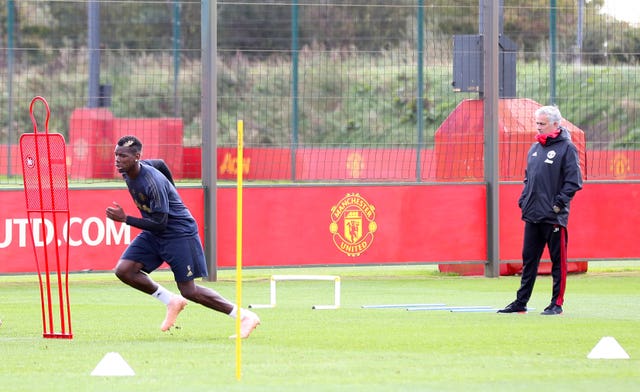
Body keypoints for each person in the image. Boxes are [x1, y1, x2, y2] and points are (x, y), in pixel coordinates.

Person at [105, 135, 260, 337]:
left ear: (136, 157)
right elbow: (160, 163)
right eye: (116, 154)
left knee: (190, 291)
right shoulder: (131, 170)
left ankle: (244, 316)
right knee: (124, 270)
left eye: (123, 156)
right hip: (154, 232)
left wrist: (126, 219)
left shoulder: (152, 183)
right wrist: (173, 192)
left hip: (178, 233)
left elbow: (161, 223)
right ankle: (171, 300)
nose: (117, 160)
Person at [498, 105, 583, 316]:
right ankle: (521, 301)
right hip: (532, 214)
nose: (538, 128)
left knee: (558, 263)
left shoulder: (567, 148)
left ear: (556, 124)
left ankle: (557, 304)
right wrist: (524, 199)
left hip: (554, 217)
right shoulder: (534, 148)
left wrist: (559, 204)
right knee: (529, 261)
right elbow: (529, 178)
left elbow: (574, 181)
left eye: (542, 124)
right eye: (537, 123)